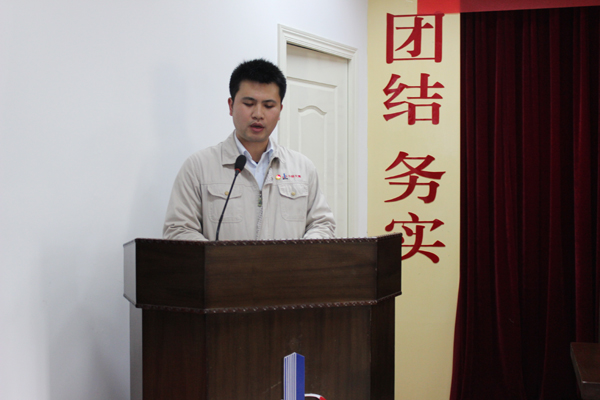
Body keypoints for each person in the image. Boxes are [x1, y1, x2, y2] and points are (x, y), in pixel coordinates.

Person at [163, 59, 336, 241]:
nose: (258, 114)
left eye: (268, 106)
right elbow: (178, 230)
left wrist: (300, 253)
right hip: (223, 262)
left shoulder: (302, 167)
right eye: (248, 103)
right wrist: (221, 257)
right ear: (231, 106)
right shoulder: (198, 167)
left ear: (280, 110)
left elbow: (322, 224)